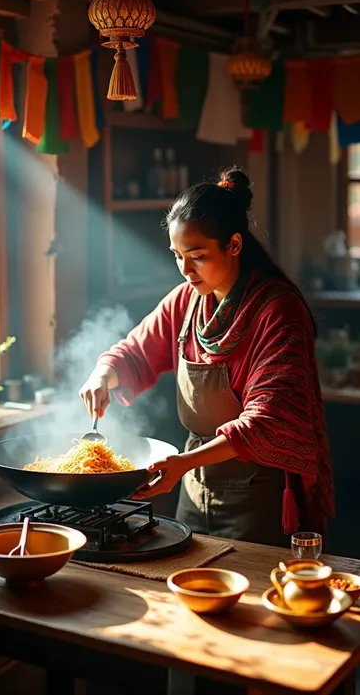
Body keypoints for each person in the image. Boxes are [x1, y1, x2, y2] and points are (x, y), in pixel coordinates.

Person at [79, 167, 334, 548]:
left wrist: (183, 464)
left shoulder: (278, 311)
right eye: (177, 255)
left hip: (258, 495)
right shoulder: (188, 300)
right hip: (194, 488)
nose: (185, 270)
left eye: (197, 256)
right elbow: (135, 350)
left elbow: (268, 419)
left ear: (233, 245)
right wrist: (103, 374)